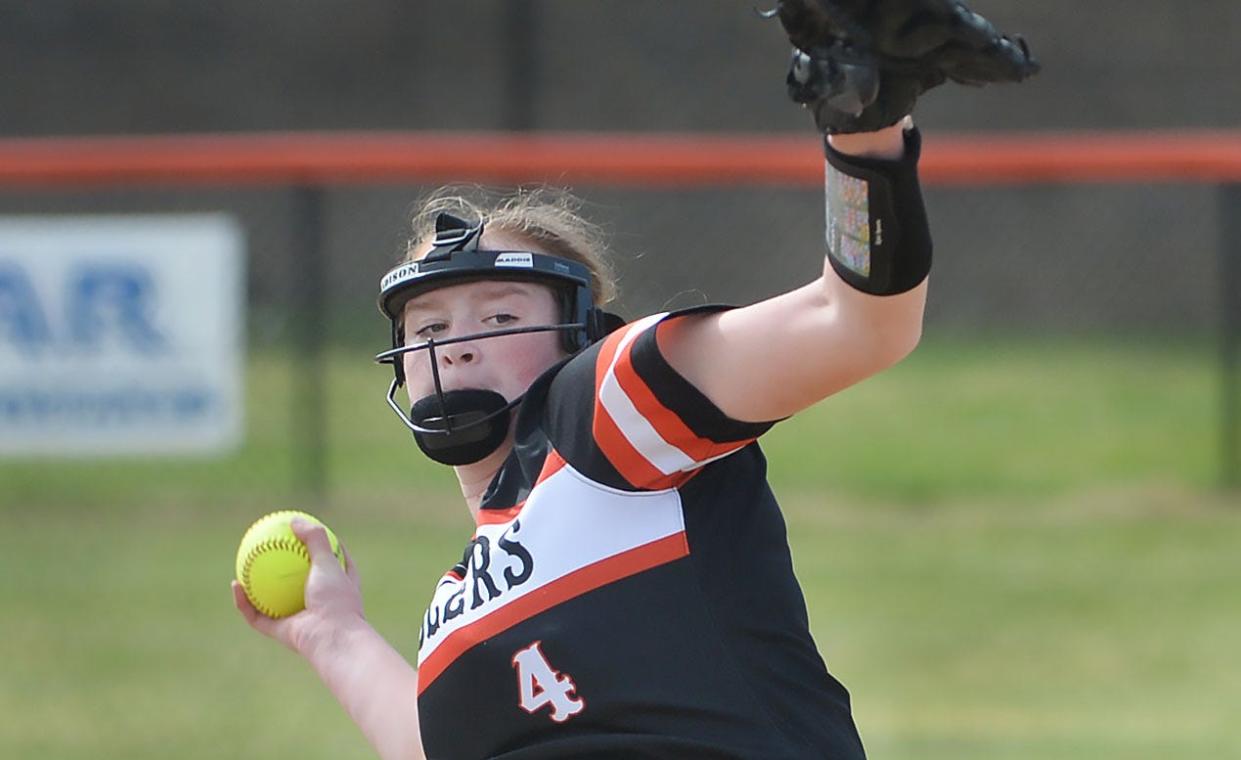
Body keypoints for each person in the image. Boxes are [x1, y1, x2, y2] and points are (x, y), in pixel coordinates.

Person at [231, 4, 1036, 757]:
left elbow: (857, 324)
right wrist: (331, 633)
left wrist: (864, 132)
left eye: (500, 317)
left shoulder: (603, 414)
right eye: (429, 328)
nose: (459, 346)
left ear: (580, 335)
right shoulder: (456, 608)